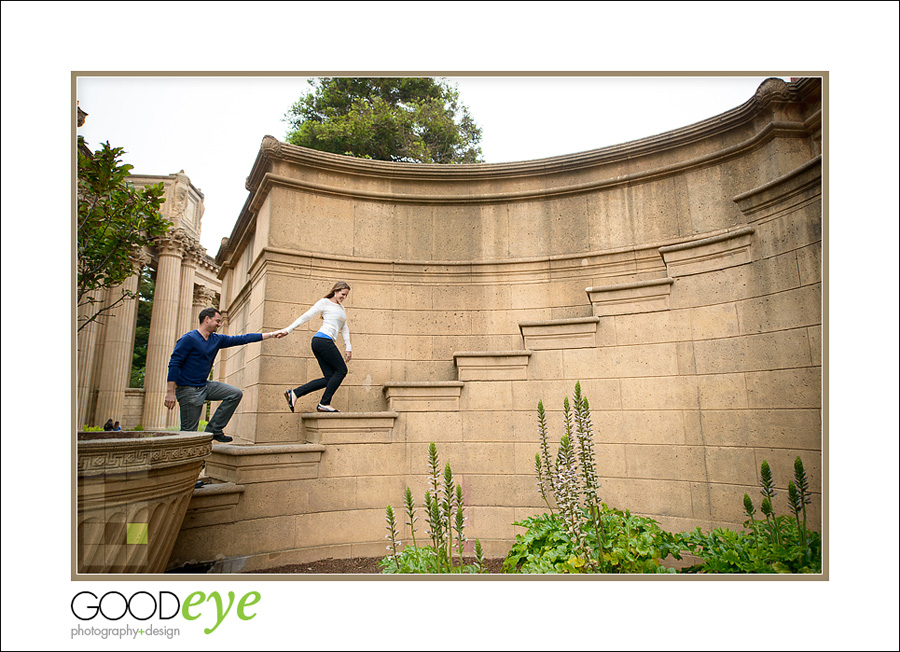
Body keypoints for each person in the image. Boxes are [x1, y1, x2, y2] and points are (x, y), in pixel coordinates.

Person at [166, 307, 286, 442]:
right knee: (189, 434)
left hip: (204, 385)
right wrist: (170, 392)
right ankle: (189, 461)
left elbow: (243, 339)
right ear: (207, 319)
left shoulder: (216, 339)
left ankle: (214, 429)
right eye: (217, 321)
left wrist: (272, 334)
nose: (219, 324)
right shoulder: (189, 339)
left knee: (234, 393)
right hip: (188, 389)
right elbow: (174, 363)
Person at [279, 282, 352, 413]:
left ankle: (295, 393)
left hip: (323, 342)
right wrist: (288, 330)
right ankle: (324, 403)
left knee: (330, 378)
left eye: (346, 295)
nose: (344, 297)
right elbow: (306, 316)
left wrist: (348, 347)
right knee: (341, 371)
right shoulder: (324, 302)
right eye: (343, 294)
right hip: (322, 340)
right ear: (336, 291)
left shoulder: (341, 309)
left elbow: (344, 328)